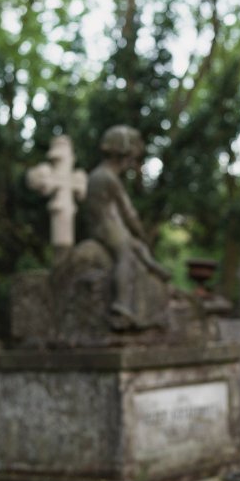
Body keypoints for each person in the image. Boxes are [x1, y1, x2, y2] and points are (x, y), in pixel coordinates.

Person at [86, 125, 170, 330]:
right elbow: (128, 212)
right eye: (131, 157)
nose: (132, 163)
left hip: (106, 225)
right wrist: (139, 231)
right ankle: (122, 304)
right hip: (108, 227)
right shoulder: (108, 178)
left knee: (138, 248)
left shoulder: (99, 175)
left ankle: (151, 265)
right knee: (126, 255)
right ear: (123, 154)